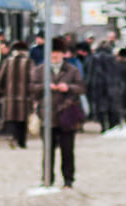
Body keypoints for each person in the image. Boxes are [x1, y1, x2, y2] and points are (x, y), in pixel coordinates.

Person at [30, 38, 85, 188]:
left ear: (63, 54)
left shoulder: (72, 70)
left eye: (57, 53)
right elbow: (32, 88)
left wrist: (68, 87)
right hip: (47, 115)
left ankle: (68, 180)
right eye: (52, 53)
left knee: (67, 151)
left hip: (66, 116)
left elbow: (81, 88)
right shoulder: (40, 70)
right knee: (48, 151)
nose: (54, 56)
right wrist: (45, 86)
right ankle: (47, 179)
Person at [0, 41, 33, 148]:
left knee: (11, 118)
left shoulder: (8, 61)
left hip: (9, 96)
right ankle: (22, 141)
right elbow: (33, 78)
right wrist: (33, 93)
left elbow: (0, 77)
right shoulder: (28, 62)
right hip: (24, 96)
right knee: (23, 119)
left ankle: (12, 136)